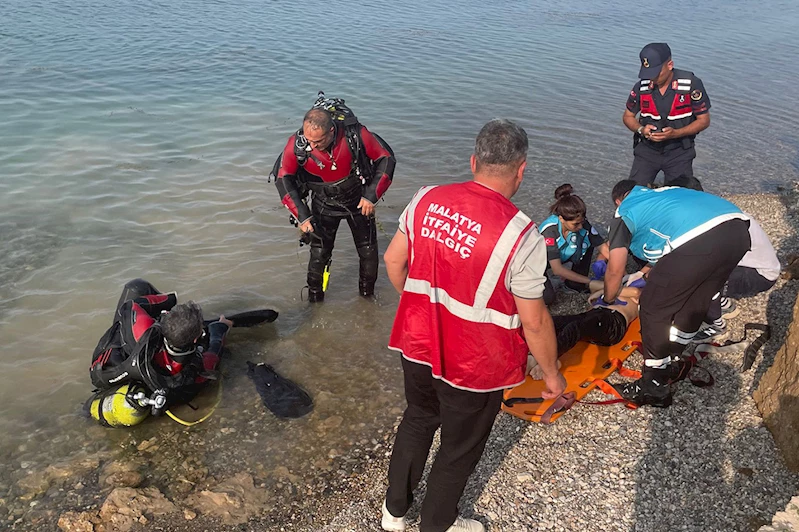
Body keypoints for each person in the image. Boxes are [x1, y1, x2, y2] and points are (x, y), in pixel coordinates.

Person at [380, 119, 566, 532]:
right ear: (522, 169)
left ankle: (394, 512)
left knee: (418, 417)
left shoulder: (426, 198)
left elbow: (394, 262)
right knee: (459, 449)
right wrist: (551, 374)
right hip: (476, 363)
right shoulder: (522, 233)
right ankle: (438, 524)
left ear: (473, 161)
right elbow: (533, 320)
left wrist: (420, 309)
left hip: (417, 342)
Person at [601, 180, 750, 407]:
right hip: (737, 230)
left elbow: (615, 268)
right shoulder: (663, 194)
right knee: (694, 300)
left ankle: (654, 386)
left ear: (618, 201)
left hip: (703, 239)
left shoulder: (625, 210)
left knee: (652, 307)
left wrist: (608, 299)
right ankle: (671, 359)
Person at [275, 95, 396, 302]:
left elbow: (386, 159)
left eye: (318, 141)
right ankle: (314, 302)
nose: (312, 146)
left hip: (359, 202)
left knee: (368, 251)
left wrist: (371, 196)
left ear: (332, 131)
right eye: (309, 140)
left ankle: (367, 299)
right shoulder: (297, 144)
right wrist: (302, 216)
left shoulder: (356, 135)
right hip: (323, 204)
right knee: (319, 253)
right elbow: (283, 179)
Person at [89, 278, 232, 416]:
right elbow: (215, 348)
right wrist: (221, 326)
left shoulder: (141, 330)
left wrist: (170, 300)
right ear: (195, 339)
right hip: (144, 384)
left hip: (104, 369)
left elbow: (129, 306)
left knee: (137, 287)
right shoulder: (191, 373)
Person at [623, 43, 711, 186]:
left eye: (656, 73)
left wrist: (676, 133)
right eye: (648, 73)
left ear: (670, 65)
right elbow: (627, 116)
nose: (652, 78)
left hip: (679, 151)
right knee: (634, 194)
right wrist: (641, 130)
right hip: (647, 151)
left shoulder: (690, 84)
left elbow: (704, 120)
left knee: (681, 197)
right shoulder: (641, 86)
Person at [528, 284, 641, 380]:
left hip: (612, 321)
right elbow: (593, 284)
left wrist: (603, 291)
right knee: (552, 321)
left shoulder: (646, 287)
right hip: (593, 316)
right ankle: (528, 351)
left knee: (575, 327)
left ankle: (548, 361)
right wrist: (605, 289)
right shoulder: (622, 283)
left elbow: (636, 292)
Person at [695, 218, 780, 341]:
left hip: (759, 274)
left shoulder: (718, 225)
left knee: (700, 280)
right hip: (758, 266)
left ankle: (715, 326)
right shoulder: (721, 214)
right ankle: (724, 305)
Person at [539, 184, 608, 305]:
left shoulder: (581, 224)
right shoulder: (549, 231)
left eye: (581, 222)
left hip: (563, 255)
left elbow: (602, 247)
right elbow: (557, 269)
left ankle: (574, 285)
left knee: (588, 239)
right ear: (561, 219)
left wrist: (623, 274)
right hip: (540, 264)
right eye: (575, 224)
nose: (580, 226)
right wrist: (591, 281)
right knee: (547, 299)